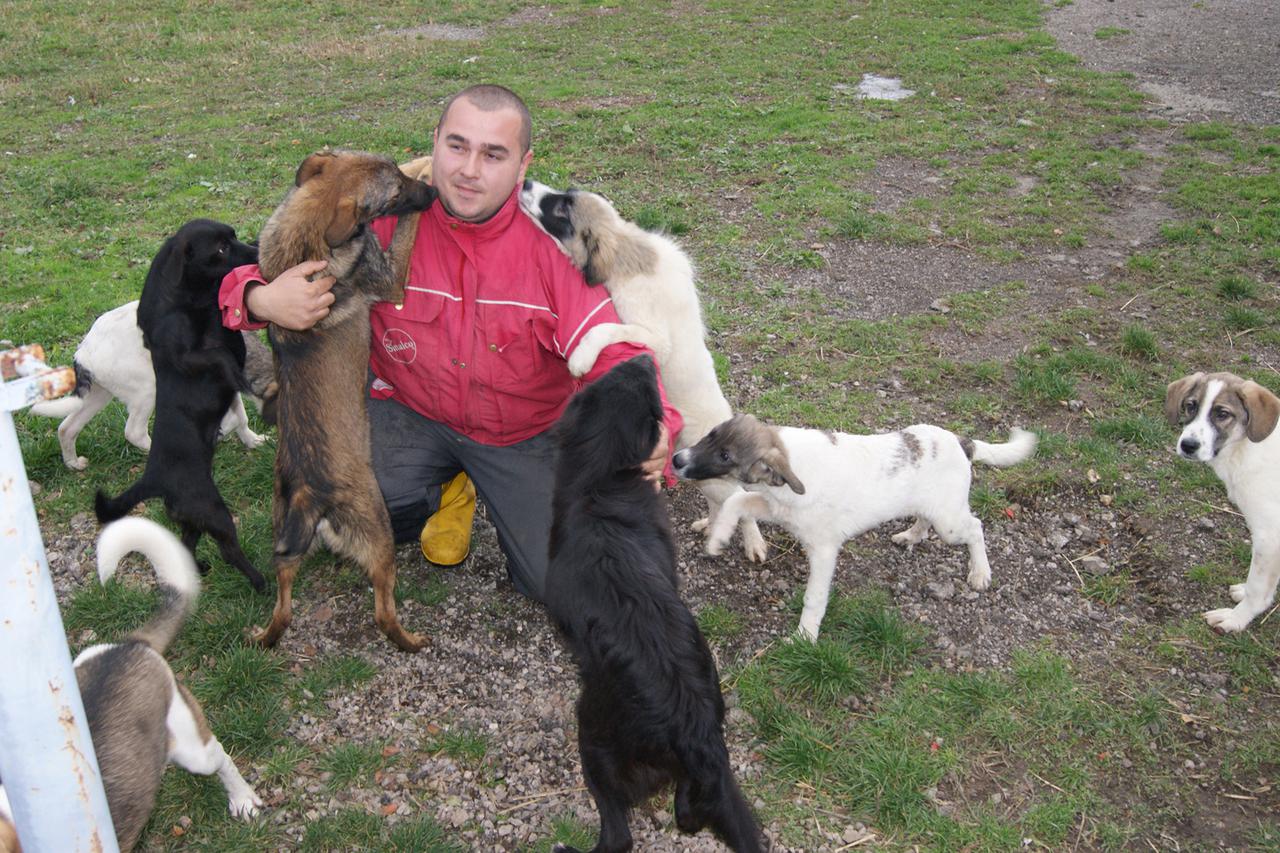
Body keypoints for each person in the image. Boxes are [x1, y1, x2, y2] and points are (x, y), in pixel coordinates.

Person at [219, 84, 683, 603]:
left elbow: (615, 348)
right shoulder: (383, 215)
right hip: (411, 414)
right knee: (341, 517)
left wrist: (653, 422)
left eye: (493, 155)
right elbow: (253, 268)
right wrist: (261, 299)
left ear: (523, 164)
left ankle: (496, 488)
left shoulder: (556, 245)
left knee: (561, 584)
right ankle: (445, 488)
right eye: (457, 146)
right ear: (435, 140)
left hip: (522, 435)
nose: (468, 170)